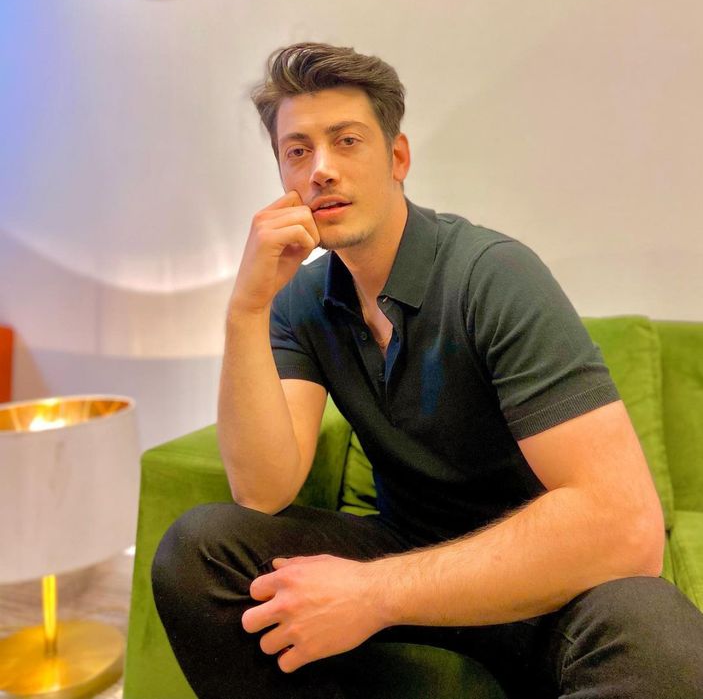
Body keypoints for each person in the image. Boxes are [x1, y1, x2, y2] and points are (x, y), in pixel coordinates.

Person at [151, 42, 703, 699]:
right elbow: (262, 489)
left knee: (664, 643)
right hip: (407, 543)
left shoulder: (491, 274)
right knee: (201, 548)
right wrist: (246, 309)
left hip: (547, 580)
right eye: (297, 151)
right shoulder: (301, 301)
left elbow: (624, 526)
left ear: (397, 158)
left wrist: (373, 592)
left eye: (346, 141)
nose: (321, 169)